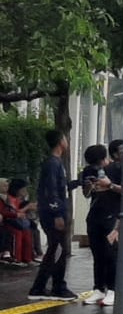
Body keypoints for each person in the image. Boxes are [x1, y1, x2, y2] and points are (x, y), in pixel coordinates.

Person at [28, 129, 76, 302]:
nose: (67, 141)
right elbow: (51, 191)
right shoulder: (52, 164)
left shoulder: (56, 163)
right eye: (65, 138)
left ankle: (43, 286)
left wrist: (77, 183)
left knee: (56, 249)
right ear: (60, 142)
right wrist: (57, 214)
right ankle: (53, 287)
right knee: (57, 249)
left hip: (54, 211)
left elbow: (60, 187)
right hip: (53, 213)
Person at [80, 143, 121, 307]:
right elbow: (85, 193)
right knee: (97, 253)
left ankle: (113, 289)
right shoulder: (88, 171)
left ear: (105, 158)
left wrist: (109, 185)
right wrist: (89, 187)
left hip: (112, 215)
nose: (96, 167)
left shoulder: (117, 169)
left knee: (111, 253)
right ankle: (98, 288)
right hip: (95, 215)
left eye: (98, 163)